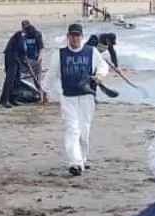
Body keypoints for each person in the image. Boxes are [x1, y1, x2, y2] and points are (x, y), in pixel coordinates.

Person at [43, 23, 111, 176]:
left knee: (84, 131)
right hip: (68, 97)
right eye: (72, 35)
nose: (74, 38)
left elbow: (103, 66)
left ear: (82, 37)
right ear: (68, 37)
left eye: (77, 35)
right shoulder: (59, 54)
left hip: (87, 97)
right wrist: (45, 90)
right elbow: (52, 74)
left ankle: (82, 158)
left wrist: (100, 76)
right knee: (72, 129)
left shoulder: (91, 52)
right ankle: (75, 162)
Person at [0, 28, 26, 108]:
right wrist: (24, 58)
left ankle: (13, 99)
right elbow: (22, 50)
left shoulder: (20, 37)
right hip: (12, 60)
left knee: (17, 80)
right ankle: (4, 100)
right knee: (10, 81)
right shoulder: (19, 37)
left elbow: (21, 51)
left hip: (17, 60)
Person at [21, 20, 44, 86]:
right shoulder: (23, 37)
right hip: (28, 60)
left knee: (38, 71)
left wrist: (39, 57)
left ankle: (38, 85)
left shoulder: (37, 34)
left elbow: (41, 48)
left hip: (36, 59)